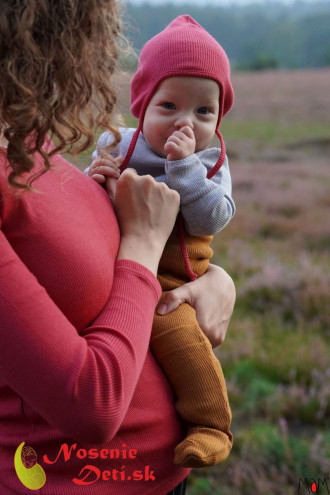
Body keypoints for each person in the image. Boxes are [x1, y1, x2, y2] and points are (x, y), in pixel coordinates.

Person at [0, 3, 235, 495]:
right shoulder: (110, 144)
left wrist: (214, 279)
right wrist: (146, 246)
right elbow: (91, 404)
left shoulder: (28, 142)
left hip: (163, 476)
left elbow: (91, 255)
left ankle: (213, 423)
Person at [88, 16, 235, 469]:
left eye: (203, 112)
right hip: (119, 265)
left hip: (174, 279)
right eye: (168, 105)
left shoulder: (209, 162)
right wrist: (94, 180)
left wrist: (186, 169)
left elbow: (216, 215)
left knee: (182, 340)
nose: (184, 123)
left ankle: (211, 425)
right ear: (142, 104)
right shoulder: (120, 144)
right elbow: (88, 207)